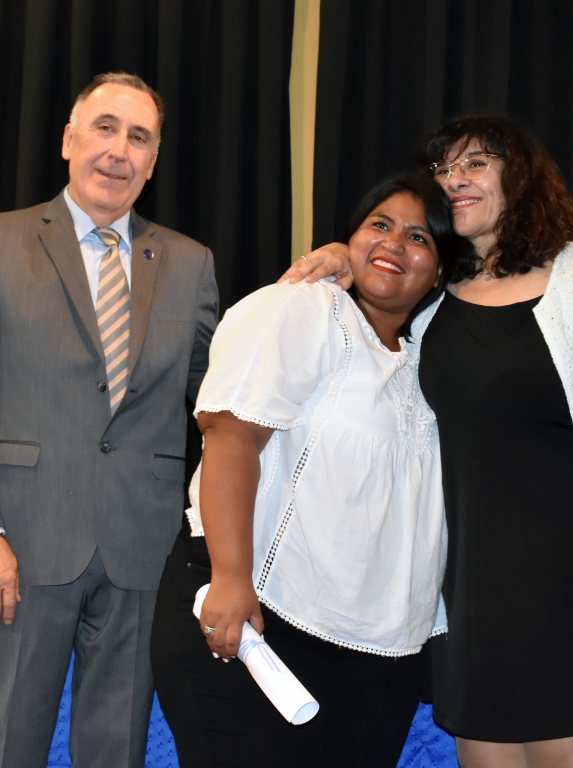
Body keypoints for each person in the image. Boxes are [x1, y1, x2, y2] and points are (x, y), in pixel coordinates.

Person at [287, 115, 573, 768]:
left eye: (476, 163)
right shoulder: (431, 295)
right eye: (443, 168)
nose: (454, 179)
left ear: (521, 176)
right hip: (471, 585)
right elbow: (374, 306)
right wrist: (343, 255)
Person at [0, 72, 218, 767]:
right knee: (8, 751)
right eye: (105, 128)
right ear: (68, 140)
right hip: (19, 549)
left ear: (153, 160)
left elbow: (224, 402)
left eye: (138, 138)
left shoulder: (189, 264)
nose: (118, 150)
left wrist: (306, 301)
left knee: (117, 754)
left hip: (142, 551)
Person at [150, 173, 470, 768]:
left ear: (440, 273)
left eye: (419, 237)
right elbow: (231, 436)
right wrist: (231, 578)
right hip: (258, 617)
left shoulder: (432, 363)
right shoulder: (303, 308)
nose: (393, 243)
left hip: (382, 656)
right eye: (379, 225)